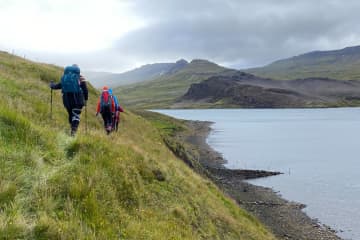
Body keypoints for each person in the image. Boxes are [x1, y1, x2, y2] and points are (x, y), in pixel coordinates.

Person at [50, 64, 88, 136]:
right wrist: (85, 99)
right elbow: (85, 90)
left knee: (71, 115)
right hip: (77, 99)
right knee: (76, 115)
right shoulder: (80, 78)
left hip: (66, 100)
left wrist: (51, 85)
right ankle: (73, 131)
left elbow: (57, 86)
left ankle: (72, 131)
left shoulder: (65, 77)